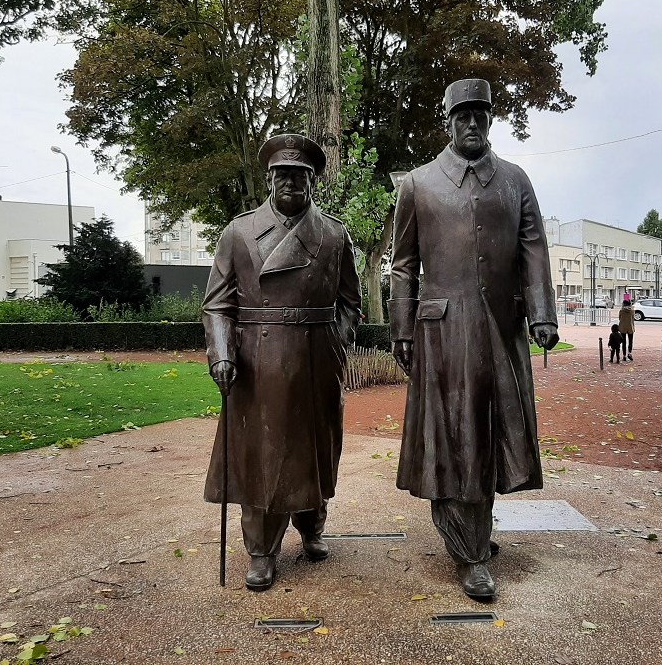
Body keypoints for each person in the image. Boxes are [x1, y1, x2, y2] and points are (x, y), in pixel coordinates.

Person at [388, 78, 560, 600]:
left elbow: (534, 250)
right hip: (442, 330)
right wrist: (401, 327)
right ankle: (469, 551)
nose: (471, 123)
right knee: (458, 435)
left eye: (479, 114)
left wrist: (542, 314)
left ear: (490, 120)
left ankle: (474, 524)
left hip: (501, 330)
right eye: (461, 115)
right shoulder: (417, 184)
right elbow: (402, 265)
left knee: (494, 432)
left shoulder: (514, 180)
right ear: (447, 121)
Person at [202, 133, 362, 591]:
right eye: (283, 174)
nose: (292, 182)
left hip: (315, 358)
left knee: (314, 449)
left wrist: (337, 340)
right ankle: (261, 550)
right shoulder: (238, 232)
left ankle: (312, 527)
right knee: (262, 456)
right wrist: (223, 354)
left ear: (312, 180)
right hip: (258, 360)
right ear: (270, 179)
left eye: (301, 175)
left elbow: (351, 299)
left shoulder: (333, 233)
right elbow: (217, 305)